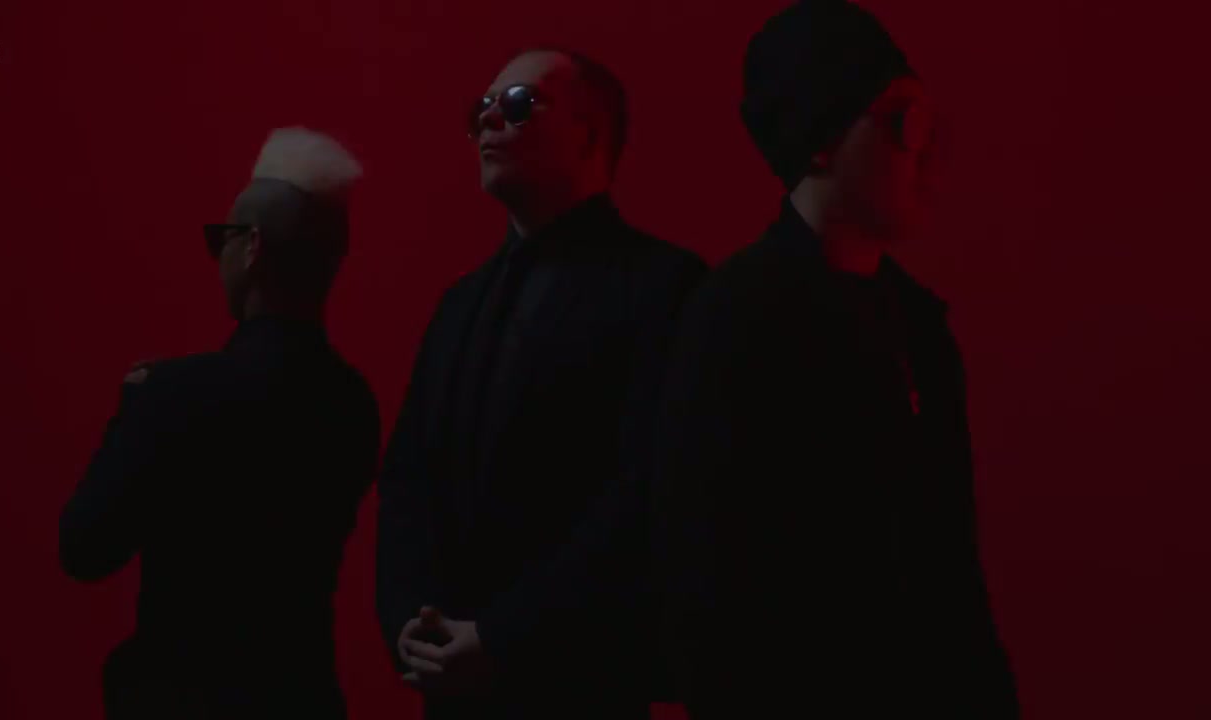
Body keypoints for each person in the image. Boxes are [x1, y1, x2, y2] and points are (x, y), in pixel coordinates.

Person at [652, 1, 1020, 717]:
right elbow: (702, 585)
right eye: (903, 123)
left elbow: (951, 570)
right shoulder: (731, 319)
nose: (927, 152)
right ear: (821, 140)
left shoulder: (918, 326)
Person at [376, 48, 707, 719]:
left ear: (589, 135)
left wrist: (503, 637)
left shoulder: (665, 287)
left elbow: (645, 493)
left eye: (519, 103)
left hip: (579, 685)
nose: (489, 120)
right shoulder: (458, 304)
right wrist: (409, 622)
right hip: (450, 686)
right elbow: (409, 480)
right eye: (481, 108)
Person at [59, 128, 379, 719]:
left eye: (220, 239)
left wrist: (137, 407)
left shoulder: (174, 395)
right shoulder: (354, 403)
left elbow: (84, 548)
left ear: (252, 247)